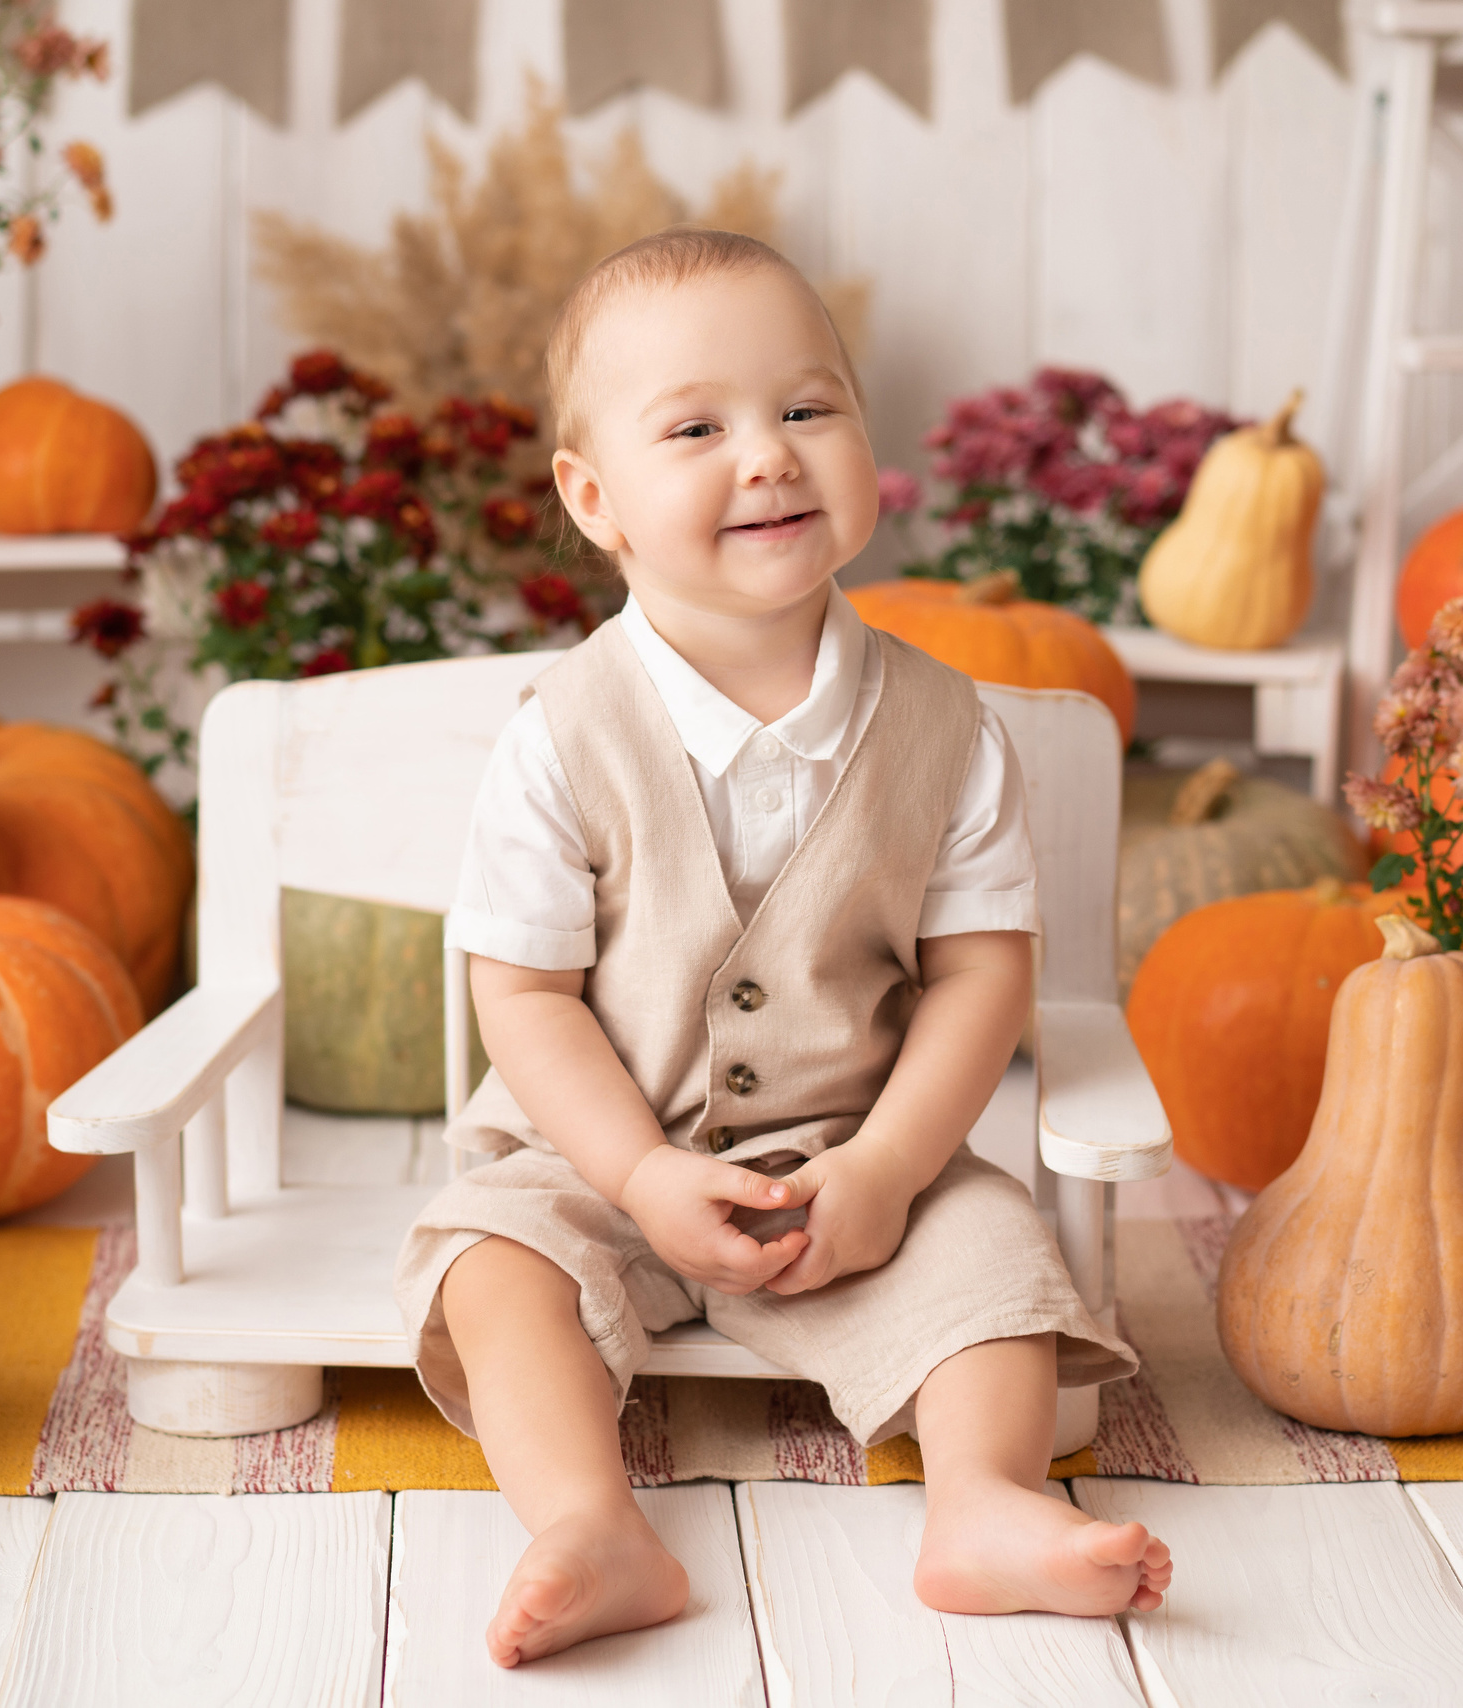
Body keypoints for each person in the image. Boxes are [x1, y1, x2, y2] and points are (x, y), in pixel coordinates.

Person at [394, 228, 1173, 1669]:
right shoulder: (559, 737)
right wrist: (633, 1170)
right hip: (598, 1157)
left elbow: (979, 978)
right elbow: (525, 996)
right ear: (593, 497)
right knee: (490, 1263)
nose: (768, 456)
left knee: (989, 1252)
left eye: (808, 410)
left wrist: (882, 1172)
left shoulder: (950, 733)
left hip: (849, 1158)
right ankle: (587, 1522)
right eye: (697, 428)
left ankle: (985, 1508)